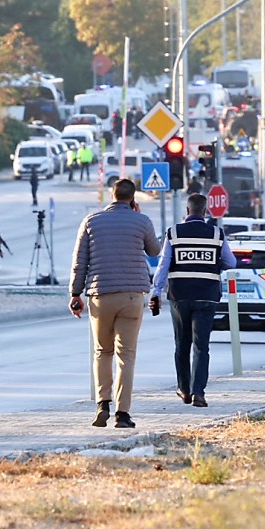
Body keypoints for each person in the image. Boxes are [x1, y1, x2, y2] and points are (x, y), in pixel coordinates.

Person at [68, 176, 161, 429]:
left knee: (102, 352)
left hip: (100, 295)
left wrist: (75, 294)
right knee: (126, 356)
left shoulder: (91, 221)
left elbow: (80, 261)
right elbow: (155, 251)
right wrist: (138, 219)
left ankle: (102, 405)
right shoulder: (142, 221)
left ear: (112, 195)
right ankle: (123, 414)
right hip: (132, 295)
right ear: (132, 199)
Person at [152, 189, 229, 407]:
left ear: (187, 210)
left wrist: (156, 291)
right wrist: (215, 263)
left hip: (180, 296)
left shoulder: (174, 233)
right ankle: (199, 393)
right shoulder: (217, 234)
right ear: (205, 211)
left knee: (182, 343)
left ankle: (184, 389)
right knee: (201, 346)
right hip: (207, 296)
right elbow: (231, 262)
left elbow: (163, 265)